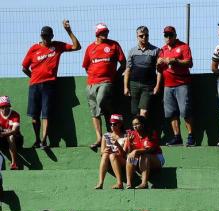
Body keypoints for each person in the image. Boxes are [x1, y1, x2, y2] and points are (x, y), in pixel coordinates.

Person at [22, 21, 81, 149]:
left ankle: (44, 141)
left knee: (46, 114)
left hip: (49, 85)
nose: (45, 38)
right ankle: (37, 140)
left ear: (52, 36)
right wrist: (33, 77)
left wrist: (68, 31)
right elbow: (24, 67)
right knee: (34, 117)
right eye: (43, 36)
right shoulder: (33, 49)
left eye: (48, 36)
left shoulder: (57, 46)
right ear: (40, 36)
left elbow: (77, 47)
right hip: (34, 85)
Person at [83, 23, 126, 150]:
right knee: (94, 111)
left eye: (106, 32)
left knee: (101, 101)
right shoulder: (90, 48)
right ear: (96, 33)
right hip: (91, 83)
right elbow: (86, 66)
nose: (105, 34)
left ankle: (111, 115)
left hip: (107, 81)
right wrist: (93, 77)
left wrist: (115, 75)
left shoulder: (114, 45)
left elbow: (123, 63)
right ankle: (99, 137)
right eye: (102, 32)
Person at [157, 26, 195, 147]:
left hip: (182, 84)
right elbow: (159, 68)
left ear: (175, 35)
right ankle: (177, 137)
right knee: (171, 112)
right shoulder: (162, 50)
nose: (168, 37)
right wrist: (158, 63)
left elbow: (190, 63)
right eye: (166, 35)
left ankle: (191, 136)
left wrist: (175, 61)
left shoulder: (183, 47)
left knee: (185, 111)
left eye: (170, 35)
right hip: (168, 85)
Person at [124, 26, 161, 117]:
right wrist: (125, 87)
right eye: (141, 36)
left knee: (143, 112)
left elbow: (159, 70)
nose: (144, 37)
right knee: (134, 112)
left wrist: (157, 86)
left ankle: (144, 131)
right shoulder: (132, 51)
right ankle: (138, 131)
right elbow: (128, 69)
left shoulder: (156, 50)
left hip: (148, 85)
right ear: (137, 36)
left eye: (146, 35)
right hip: (134, 84)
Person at [125, 115, 165, 189]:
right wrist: (129, 143)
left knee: (144, 155)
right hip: (139, 160)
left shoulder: (151, 133)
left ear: (143, 124)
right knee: (130, 156)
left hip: (156, 158)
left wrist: (136, 151)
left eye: (137, 124)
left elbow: (151, 149)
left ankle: (144, 183)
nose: (135, 126)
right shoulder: (132, 134)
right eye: (133, 125)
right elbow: (129, 152)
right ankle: (129, 183)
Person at [95, 114, 128, 190]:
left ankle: (120, 183)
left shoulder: (126, 136)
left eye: (115, 124)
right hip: (110, 160)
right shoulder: (106, 135)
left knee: (112, 155)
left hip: (123, 160)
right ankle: (100, 182)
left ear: (120, 124)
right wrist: (105, 150)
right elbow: (102, 152)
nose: (112, 126)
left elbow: (124, 154)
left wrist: (117, 145)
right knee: (106, 154)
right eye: (111, 124)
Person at [0, 96, 23, 169]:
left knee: (11, 136)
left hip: (16, 140)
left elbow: (14, 131)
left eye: (6, 106)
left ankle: (14, 164)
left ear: (9, 106)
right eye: (2, 107)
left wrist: (3, 133)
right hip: (2, 140)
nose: (4, 109)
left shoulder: (15, 114)